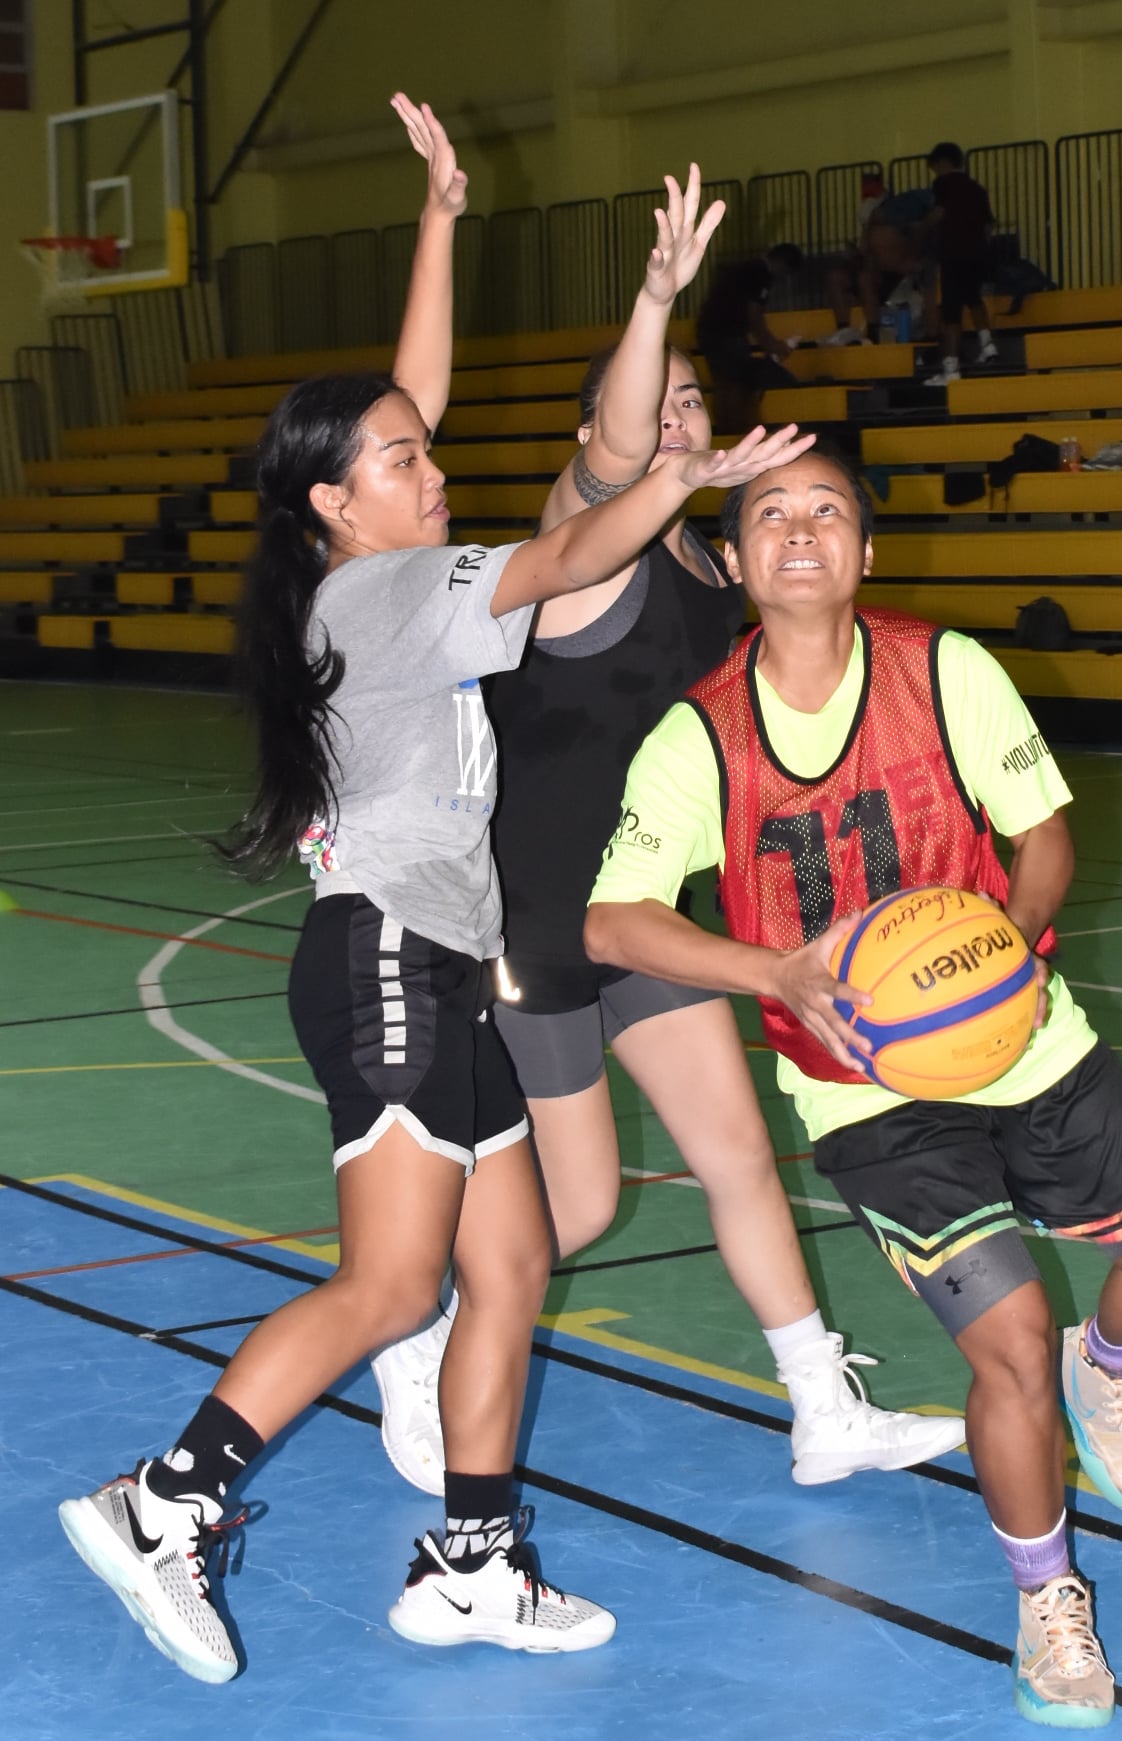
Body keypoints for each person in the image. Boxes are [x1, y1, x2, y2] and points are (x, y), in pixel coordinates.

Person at [54, 99, 820, 1686]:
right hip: (387, 961)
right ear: (337, 504)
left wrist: (439, 222)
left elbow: (409, 401)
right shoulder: (388, 590)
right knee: (395, 1278)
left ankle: (473, 1560)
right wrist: (678, 474)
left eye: (426, 452)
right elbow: (562, 558)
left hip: (446, 970)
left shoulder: (367, 562)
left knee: (512, 1263)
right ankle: (162, 1502)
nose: (433, 466)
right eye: (404, 463)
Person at [583, 447, 1122, 1728]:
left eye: (827, 510)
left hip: (1022, 1037)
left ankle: (1111, 1366)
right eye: (771, 514)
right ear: (734, 561)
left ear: (866, 551)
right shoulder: (701, 736)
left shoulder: (944, 670)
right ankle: (1047, 1606)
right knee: (1006, 1346)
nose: (801, 530)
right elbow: (614, 919)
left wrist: (1012, 949)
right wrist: (771, 970)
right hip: (864, 1087)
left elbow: (1041, 832)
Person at [371, 165, 966, 1501]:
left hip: (639, 910)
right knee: (578, 1203)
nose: (681, 417)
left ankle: (821, 1406)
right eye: (660, 402)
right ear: (607, 428)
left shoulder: (710, 568)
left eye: (699, 400)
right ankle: (420, 1334)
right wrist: (654, 300)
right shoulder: (583, 544)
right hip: (530, 918)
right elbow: (613, 459)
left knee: (739, 1153)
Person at [696, 240, 805, 432]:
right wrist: (771, 345)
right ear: (782, 264)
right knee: (738, 382)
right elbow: (754, 314)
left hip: (708, 330)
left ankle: (725, 429)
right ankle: (737, 429)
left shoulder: (743, 268)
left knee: (722, 383)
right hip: (729, 332)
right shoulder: (761, 274)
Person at [826, 175, 935, 345]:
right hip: (870, 270)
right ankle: (843, 329)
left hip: (888, 277)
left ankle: (873, 332)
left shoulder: (900, 228)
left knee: (865, 278)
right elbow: (864, 256)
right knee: (836, 277)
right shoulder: (871, 232)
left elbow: (906, 261)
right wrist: (855, 256)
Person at [922, 142, 998, 387]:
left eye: (935, 167)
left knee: (951, 312)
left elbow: (939, 213)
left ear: (942, 163)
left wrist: (920, 228)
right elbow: (988, 226)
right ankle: (988, 345)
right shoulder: (977, 188)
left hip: (953, 252)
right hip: (977, 253)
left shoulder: (943, 184)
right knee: (973, 298)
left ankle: (951, 369)